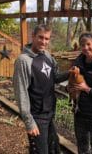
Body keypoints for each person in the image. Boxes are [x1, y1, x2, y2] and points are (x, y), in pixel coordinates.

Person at [13, 24, 69, 154]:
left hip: (49, 113)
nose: (44, 42)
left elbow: (54, 77)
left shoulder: (47, 56)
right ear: (33, 36)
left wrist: (70, 73)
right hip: (36, 116)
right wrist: (29, 122)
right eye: (40, 37)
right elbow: (21, 92)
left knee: (53, 148)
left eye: (47, 39)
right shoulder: (23, 61)